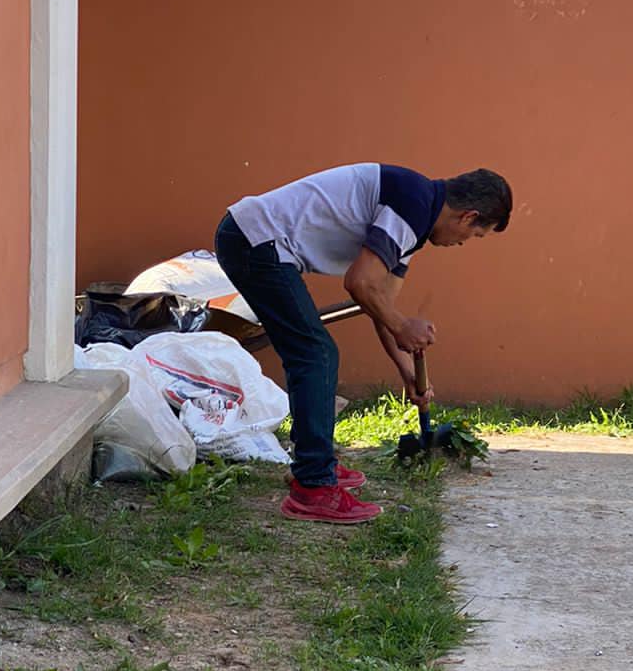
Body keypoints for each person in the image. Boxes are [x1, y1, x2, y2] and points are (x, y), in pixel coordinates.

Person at [215, 163, 513, 524]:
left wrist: (407, 372)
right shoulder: (412, 206)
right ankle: (313, 486)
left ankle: (315, 465)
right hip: (255, 240)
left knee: (312, 352)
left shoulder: (415, 217)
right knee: (315, 354)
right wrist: (403, 326)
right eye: (475, 236)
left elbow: (378, 301)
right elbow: (360, 283)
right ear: (469, 216)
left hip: (259, 241)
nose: (463, 243)